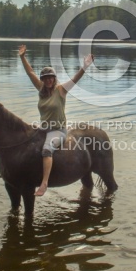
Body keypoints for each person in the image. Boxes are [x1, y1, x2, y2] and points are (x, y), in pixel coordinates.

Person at [18, 45, 94, 196]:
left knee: (46, 150)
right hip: (43, 128)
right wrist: (22, 57)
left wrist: (84, 67)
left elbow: (75, 79)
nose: (48, 80)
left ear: (54, 78)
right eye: (45, 78)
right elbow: (30, 72)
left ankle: (44, 183)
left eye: (50, 77)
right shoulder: (41, 89)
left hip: (58, 131)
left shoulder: (61, 90)